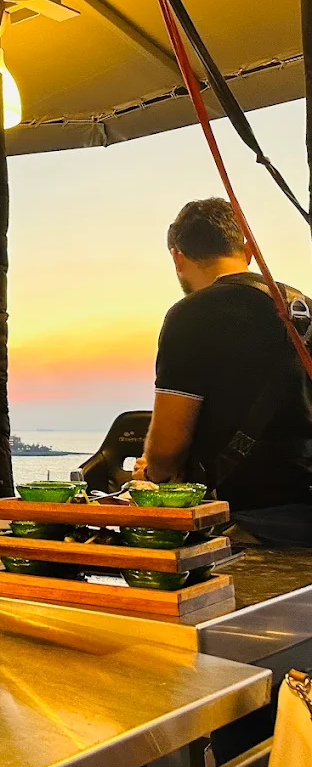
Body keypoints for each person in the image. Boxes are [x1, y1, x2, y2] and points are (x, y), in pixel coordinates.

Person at [137, 198, 312, 545]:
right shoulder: (303, 308)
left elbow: (167, 450)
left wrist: (151, 474)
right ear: (246, 250)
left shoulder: (189, 316)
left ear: (177, 257)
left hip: (249, 522)